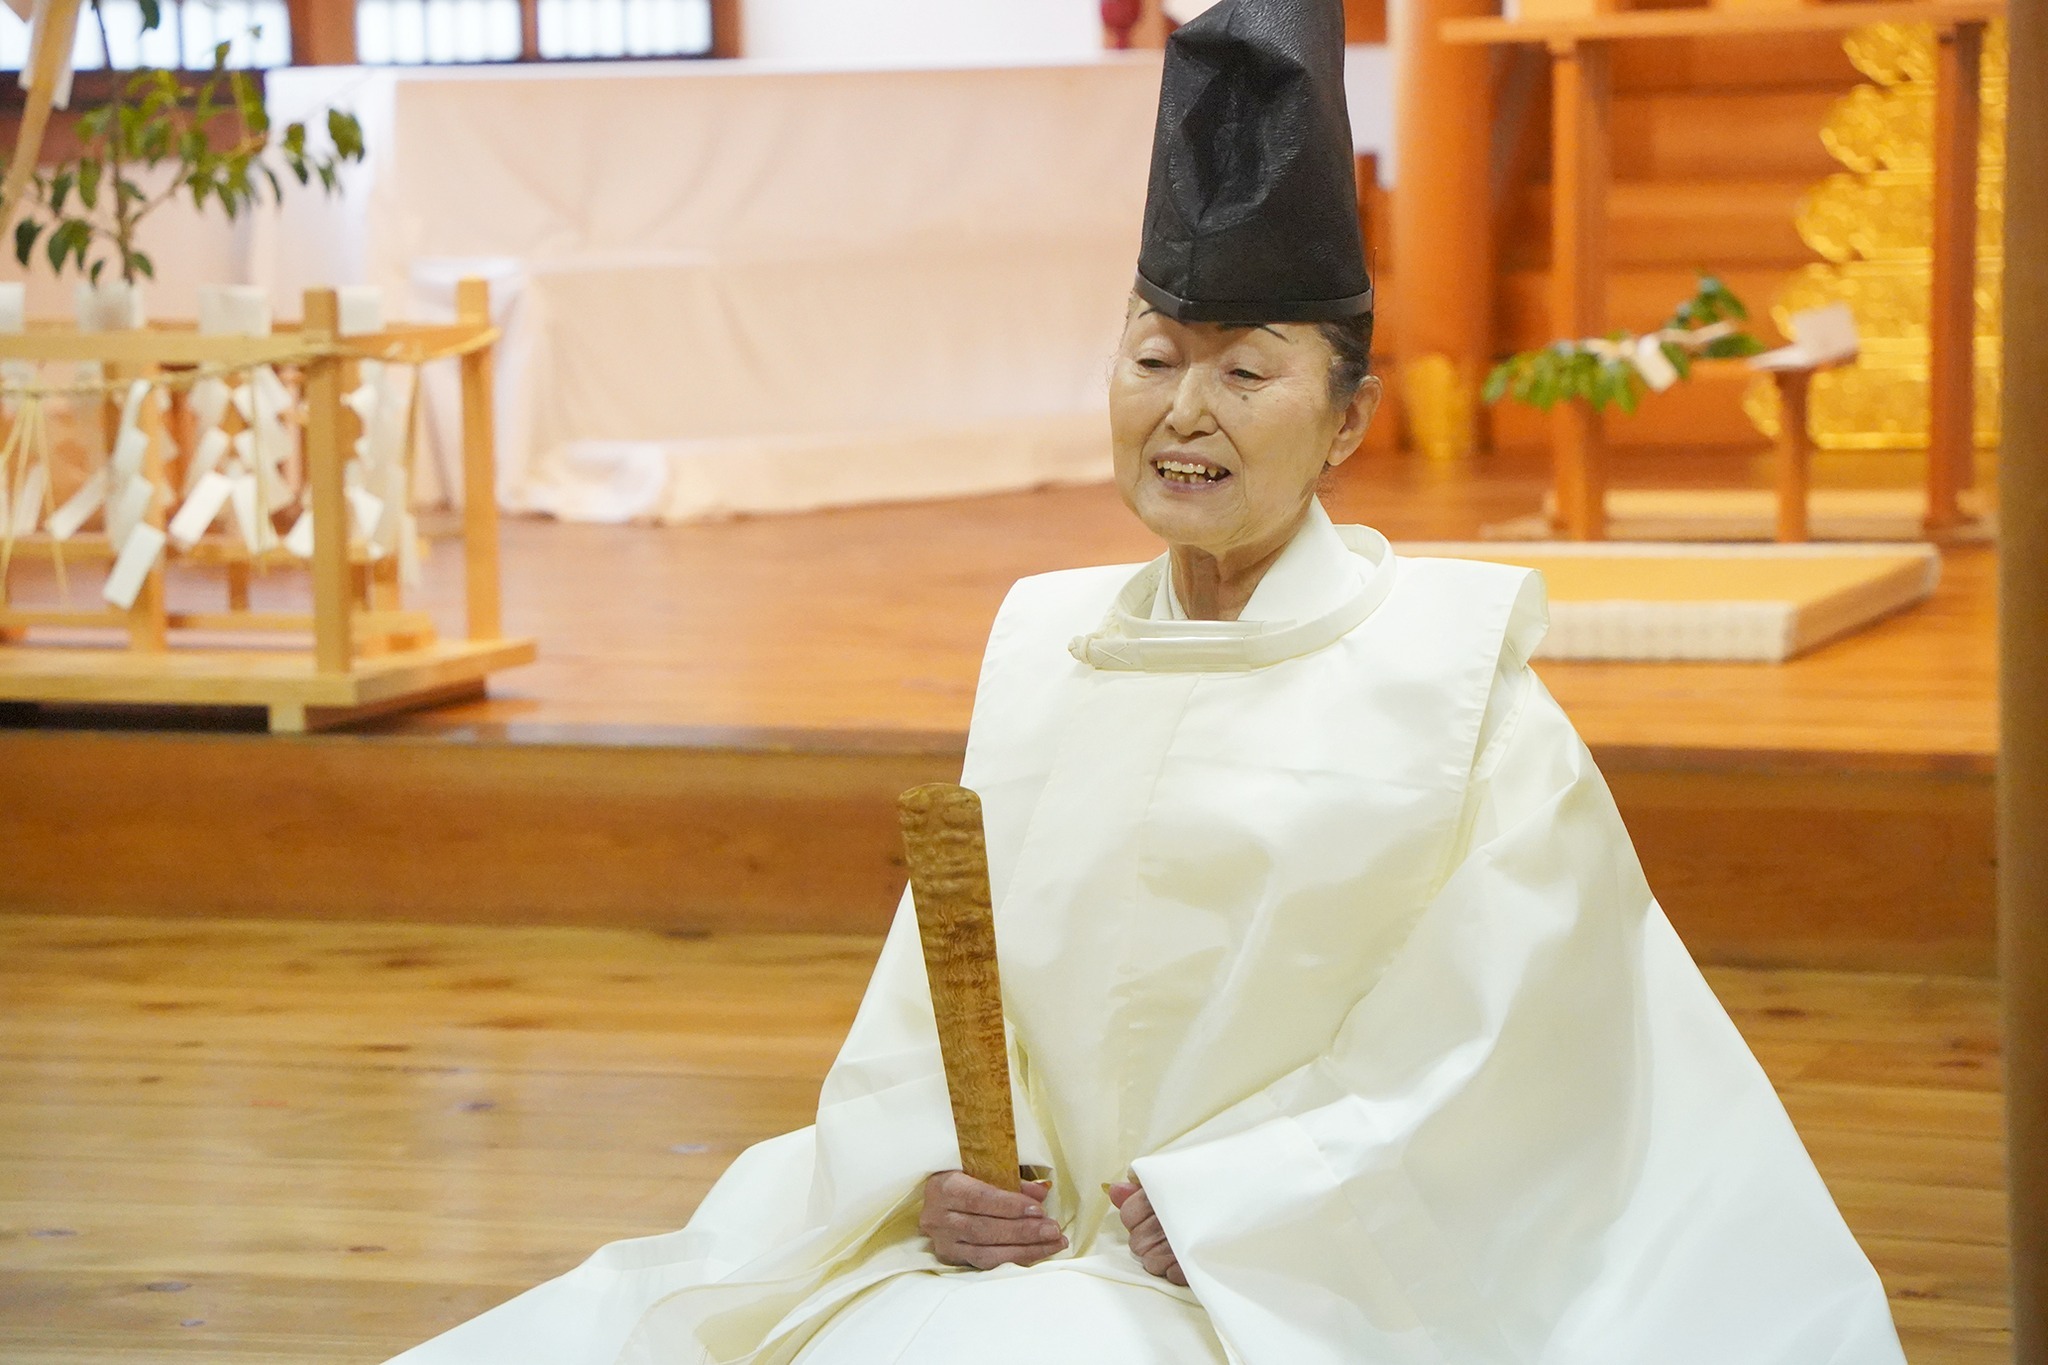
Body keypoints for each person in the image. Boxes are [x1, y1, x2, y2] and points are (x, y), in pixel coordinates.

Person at [388, 2, 1908, 1362]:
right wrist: (938, 1156)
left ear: (1346, 423)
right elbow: (936, 995)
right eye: (1152, 357)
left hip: (1295, 1278)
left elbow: (1513, 1035)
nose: (1186, 411)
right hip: (1024, 1249)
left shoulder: (1450, 675)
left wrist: (1243, 1205)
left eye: (1247, 373)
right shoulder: (1046, 641)